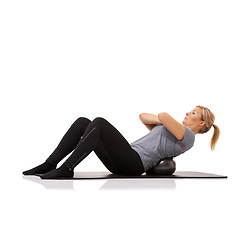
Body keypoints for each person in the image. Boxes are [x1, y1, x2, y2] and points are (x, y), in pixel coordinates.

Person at [23, 106, 220, 179]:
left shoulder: (188, 136)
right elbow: (143, 116)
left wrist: (162, 120)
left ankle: (67, 168)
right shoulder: (173, 129)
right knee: (85, 122)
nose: (186, 113)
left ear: (201, 123)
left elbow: (162, 114)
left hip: (134, 163)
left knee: (99, 123)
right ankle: (50, 163)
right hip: (125, 158)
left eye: (193, 113)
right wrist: (162, 122)